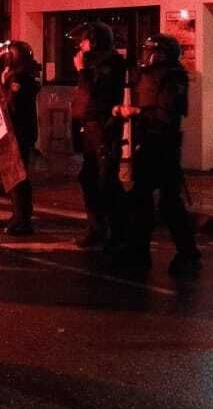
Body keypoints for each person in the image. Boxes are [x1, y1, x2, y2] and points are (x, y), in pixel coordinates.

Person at [117, 34, 200, 275]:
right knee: (143, 199)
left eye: (150, 50)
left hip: (163, 143)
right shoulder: (148, 75)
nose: (146, 55)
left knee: (166, 201)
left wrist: (135, 112)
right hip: (147, 141)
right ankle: (140, 251)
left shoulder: (173, 76)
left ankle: (187, 253)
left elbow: (167, 113)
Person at [70, 20, 127, 249]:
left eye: (83, 41)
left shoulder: (110, 63)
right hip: (91, 126)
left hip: (104, 127)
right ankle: (97, 228)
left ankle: (117, 231)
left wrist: (82, 70)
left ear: (93, 41)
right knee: (89, 177)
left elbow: (95, 93)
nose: (80, 46)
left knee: (106, 181)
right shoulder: (96, 63)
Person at [0, 40, 41, 235]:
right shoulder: (25, 74)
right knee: (17, 174)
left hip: (19, 131)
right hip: (22, 131)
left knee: (18, 176)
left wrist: (4, 83)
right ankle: (19, 215)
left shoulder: (19, 78)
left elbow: (11, 105)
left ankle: (22, 219)